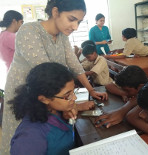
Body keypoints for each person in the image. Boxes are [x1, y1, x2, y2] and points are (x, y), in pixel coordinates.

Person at [1, 0, 107, 154]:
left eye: (79, 22)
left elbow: (74, 65)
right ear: (55, 12)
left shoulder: (62, 36)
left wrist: (91, 91)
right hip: (30, 93)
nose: (75, 27)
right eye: (72, 19)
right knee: (28, 138)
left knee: (50, 136)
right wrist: (73, 105)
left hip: (53, 94)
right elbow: (47, 73)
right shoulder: (29, 30)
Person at [10, 62, 86, 154]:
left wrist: (67, 114)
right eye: (67, 95)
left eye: (74, 91)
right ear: (44, 99)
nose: (74, 98)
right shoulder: (29, 137)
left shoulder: (55, 110)